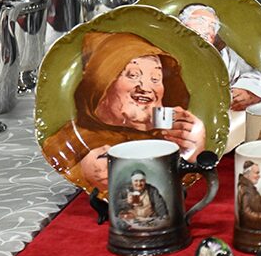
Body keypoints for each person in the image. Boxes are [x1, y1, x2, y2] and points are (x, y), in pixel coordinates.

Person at [42, 31, 207, 193]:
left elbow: (180, 186)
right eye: (133, 75)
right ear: (101, 83)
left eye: (156, 78)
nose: (145, 87)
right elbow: (56, 183)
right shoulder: (70, 140)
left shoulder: (170, 138)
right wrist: (84, 172)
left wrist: (193, 155)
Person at [178, 4, 261, 111]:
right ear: (182, 24)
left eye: (212, 26)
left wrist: (249, 91)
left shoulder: (225, 54)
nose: (208, 30)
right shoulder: (169, 51)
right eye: (201, 21)